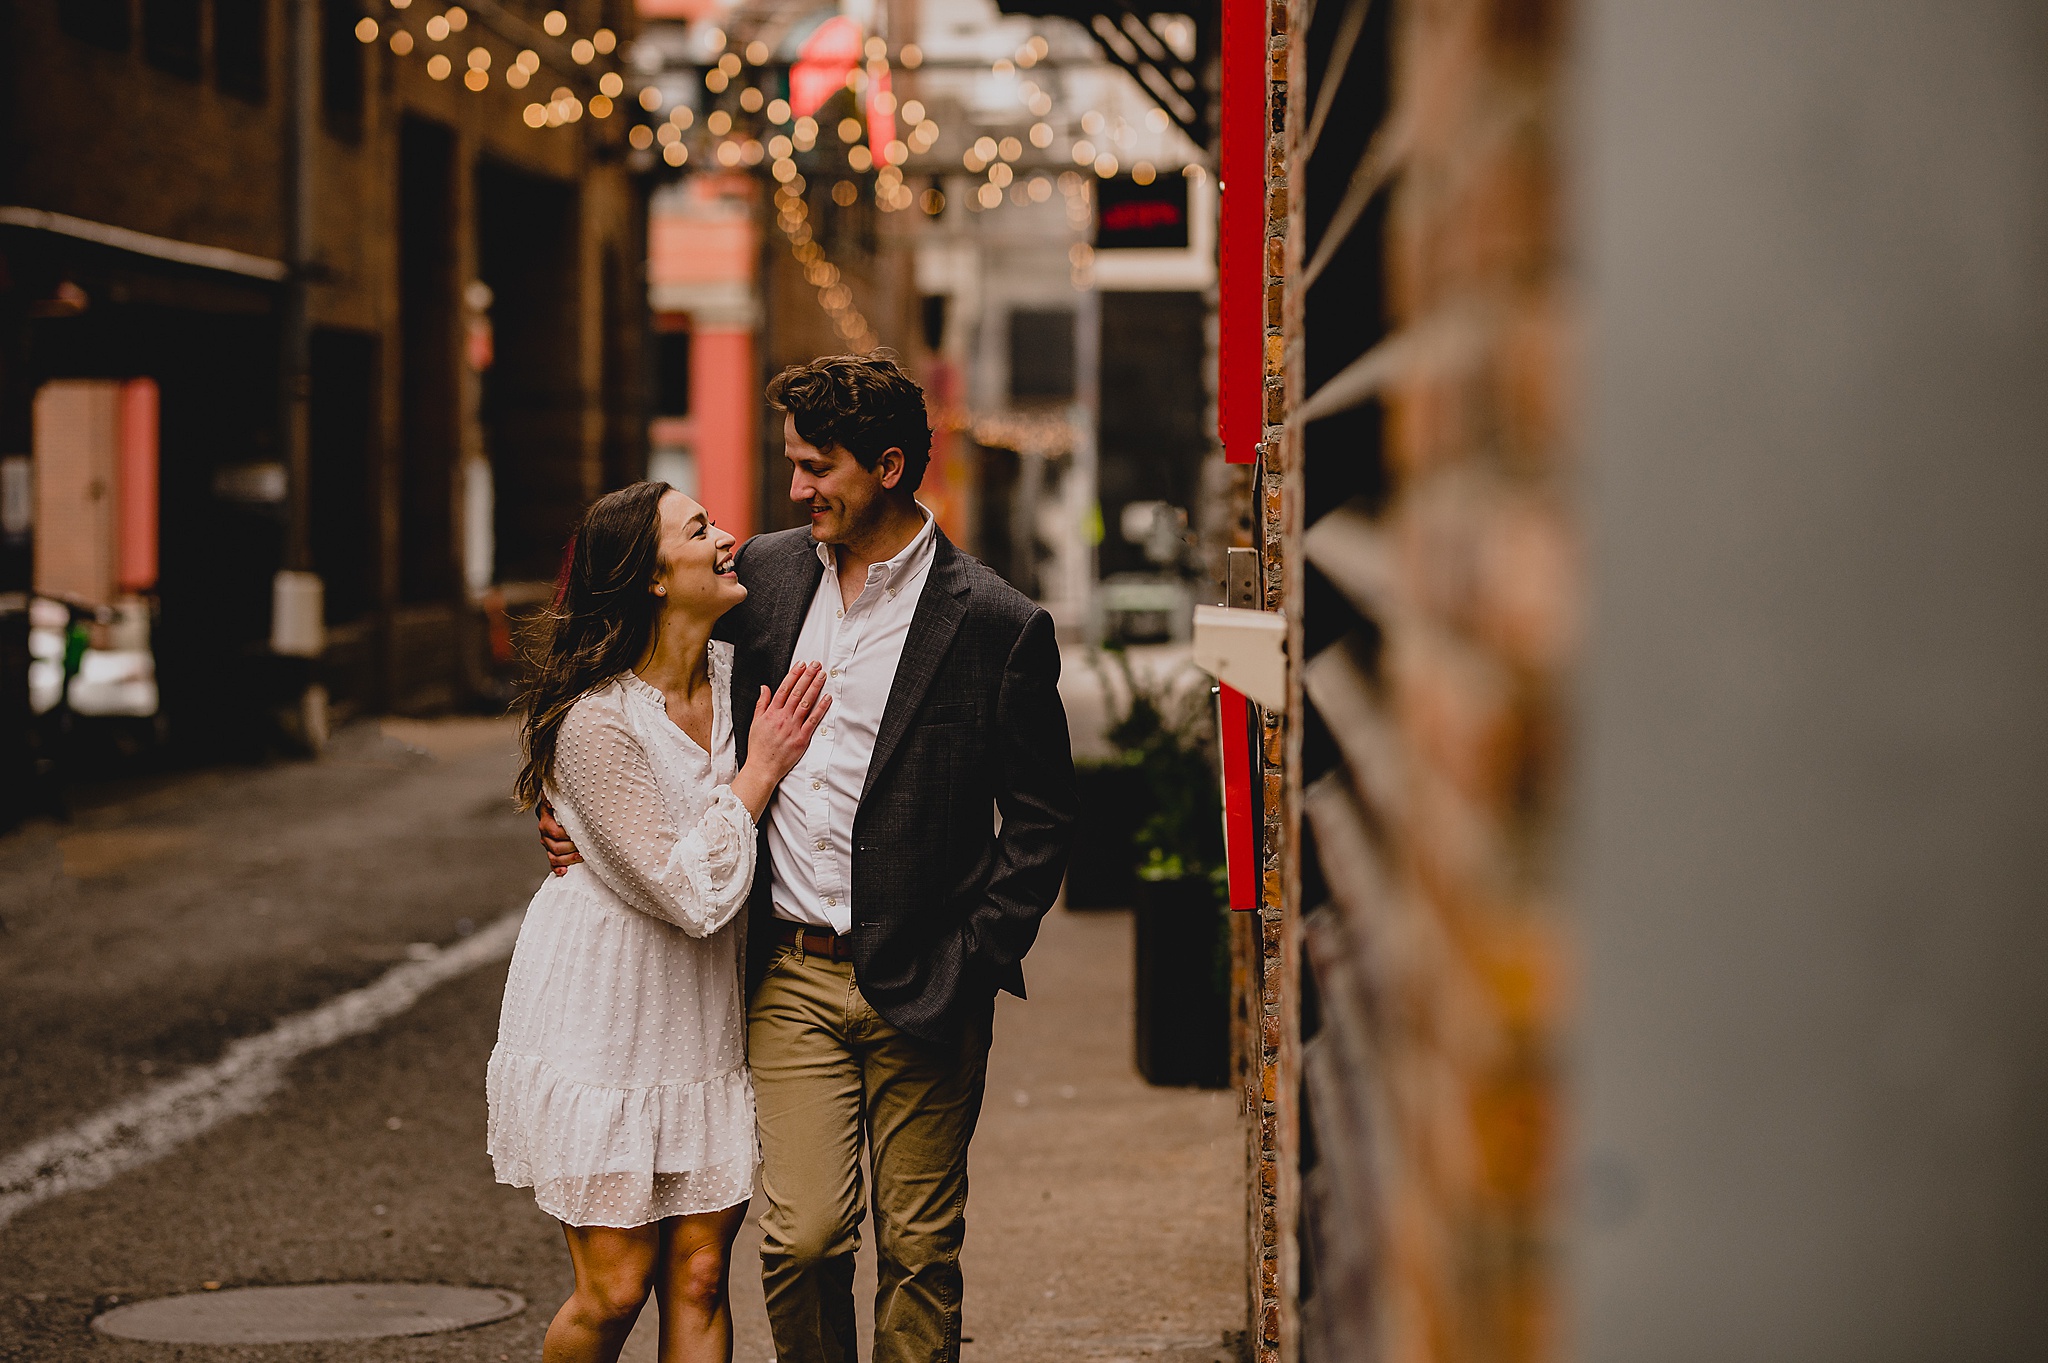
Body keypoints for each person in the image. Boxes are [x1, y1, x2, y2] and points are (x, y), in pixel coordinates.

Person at [540, 352, 1078, 1363]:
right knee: (801, 1238)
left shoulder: (997, 624)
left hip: (929, 977)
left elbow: (1042, 818)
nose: (793, 491)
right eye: (790, 464)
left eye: (813, 467)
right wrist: (562, 795)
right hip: (786, 974)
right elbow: (629, 673)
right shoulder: (768, 578)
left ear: (883, 466)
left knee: (919, 1246)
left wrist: (977, 953)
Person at [491, 479, 832, 1363]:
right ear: (650, 576)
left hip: (702, 1015)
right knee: (613, 1290)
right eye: (699, 528)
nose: (729, 537)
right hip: (604, 1019)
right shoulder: (596, 721)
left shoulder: (739, 672)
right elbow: (692, 893)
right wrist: (757, 774)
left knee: (699, 1276)